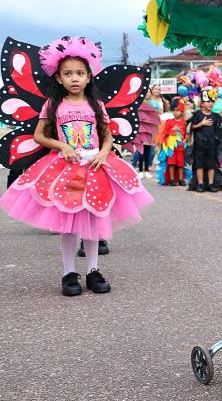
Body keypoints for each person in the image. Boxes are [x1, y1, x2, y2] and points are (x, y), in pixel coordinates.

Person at [0, 37, 152, 296]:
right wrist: (62, 146)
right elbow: (39, 135)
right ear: (58, 78)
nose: (74, 78)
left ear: (88, 76)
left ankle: (93, 271)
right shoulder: (54, 104)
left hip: (94, 166)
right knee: (68, 224)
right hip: (65, 168)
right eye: (68, 74)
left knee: (93, 222)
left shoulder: (96, 104)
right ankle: (68, 272)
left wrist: (104, 153)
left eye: (80, 73)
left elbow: (107, 135)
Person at [189, 88, 222, 192]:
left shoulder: (215, 116)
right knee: (199, 165)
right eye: (208, 101)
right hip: (199, 145)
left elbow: (219, 130)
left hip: (212, 145)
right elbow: (191, 128)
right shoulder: (197, 115)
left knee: (211, 165)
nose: (210, 104)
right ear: (202, 103)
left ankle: (211, 184)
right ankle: (200, 184)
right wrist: (201, 124)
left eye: (212, 102)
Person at [159, 97, 187, 186]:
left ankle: (181, 179)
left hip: (180, 147)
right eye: (174, 110)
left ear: (182, 111)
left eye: (178, 110)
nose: (175, 112)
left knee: (180, 164)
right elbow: (165, 133)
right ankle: (171, 179)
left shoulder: (184, 122)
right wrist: (172, 130)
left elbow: (186, 134)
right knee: (171, 163)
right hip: (171, 148)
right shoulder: (169, 121)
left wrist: (185, 141)